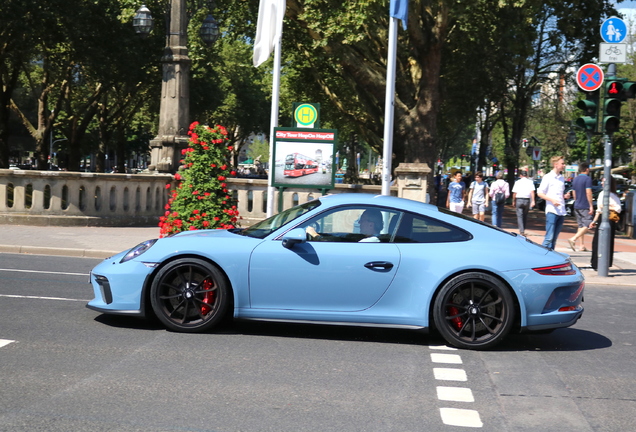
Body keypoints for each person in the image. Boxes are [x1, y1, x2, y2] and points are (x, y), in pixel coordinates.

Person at [537, 155, 571, 249]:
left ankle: (551, 257)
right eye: (562, 163)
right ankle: (542, 256)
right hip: (552, 210)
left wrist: (565, 196)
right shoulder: (548, 177)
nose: (564, 165)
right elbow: (540, 193)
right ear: (556, 164)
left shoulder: (561, 178)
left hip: (561, 210)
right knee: (549, 238)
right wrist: (552, 200)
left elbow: (559, 194)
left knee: (555, 238)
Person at [589, 177, 621, 270]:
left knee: (608, 242)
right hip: (601, 219)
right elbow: (599, 210)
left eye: (604, 182)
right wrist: (594, 221)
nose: (602, 184)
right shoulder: (602, 193)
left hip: (609, 220)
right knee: (597, 241)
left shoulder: (613, 195)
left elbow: (618, 208)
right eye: (602, 182)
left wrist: (608, 207)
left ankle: (605, 263)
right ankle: (595, 263)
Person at [568, 163, 594, 252]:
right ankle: (573, 238)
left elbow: (574, 193)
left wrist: (576, 201)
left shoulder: (575, 179)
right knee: (588, 223)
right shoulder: (587, 179)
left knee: (580, 225)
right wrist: (591, 205)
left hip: (577, 204)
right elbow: (588, 192)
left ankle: (581, 245)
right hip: (585, 205)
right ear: (587, 169)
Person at [511, 170, 535, 236]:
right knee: (525, 215)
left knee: (519, 216)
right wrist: (533, 200)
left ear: (520, 175)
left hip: (519, 199)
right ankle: (523, 229)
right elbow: (532, 192)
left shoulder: (517, 182)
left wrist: (513, 201)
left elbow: (514, 193)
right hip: (527, 200)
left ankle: (521, 231)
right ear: (526, 175)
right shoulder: (530, 182)